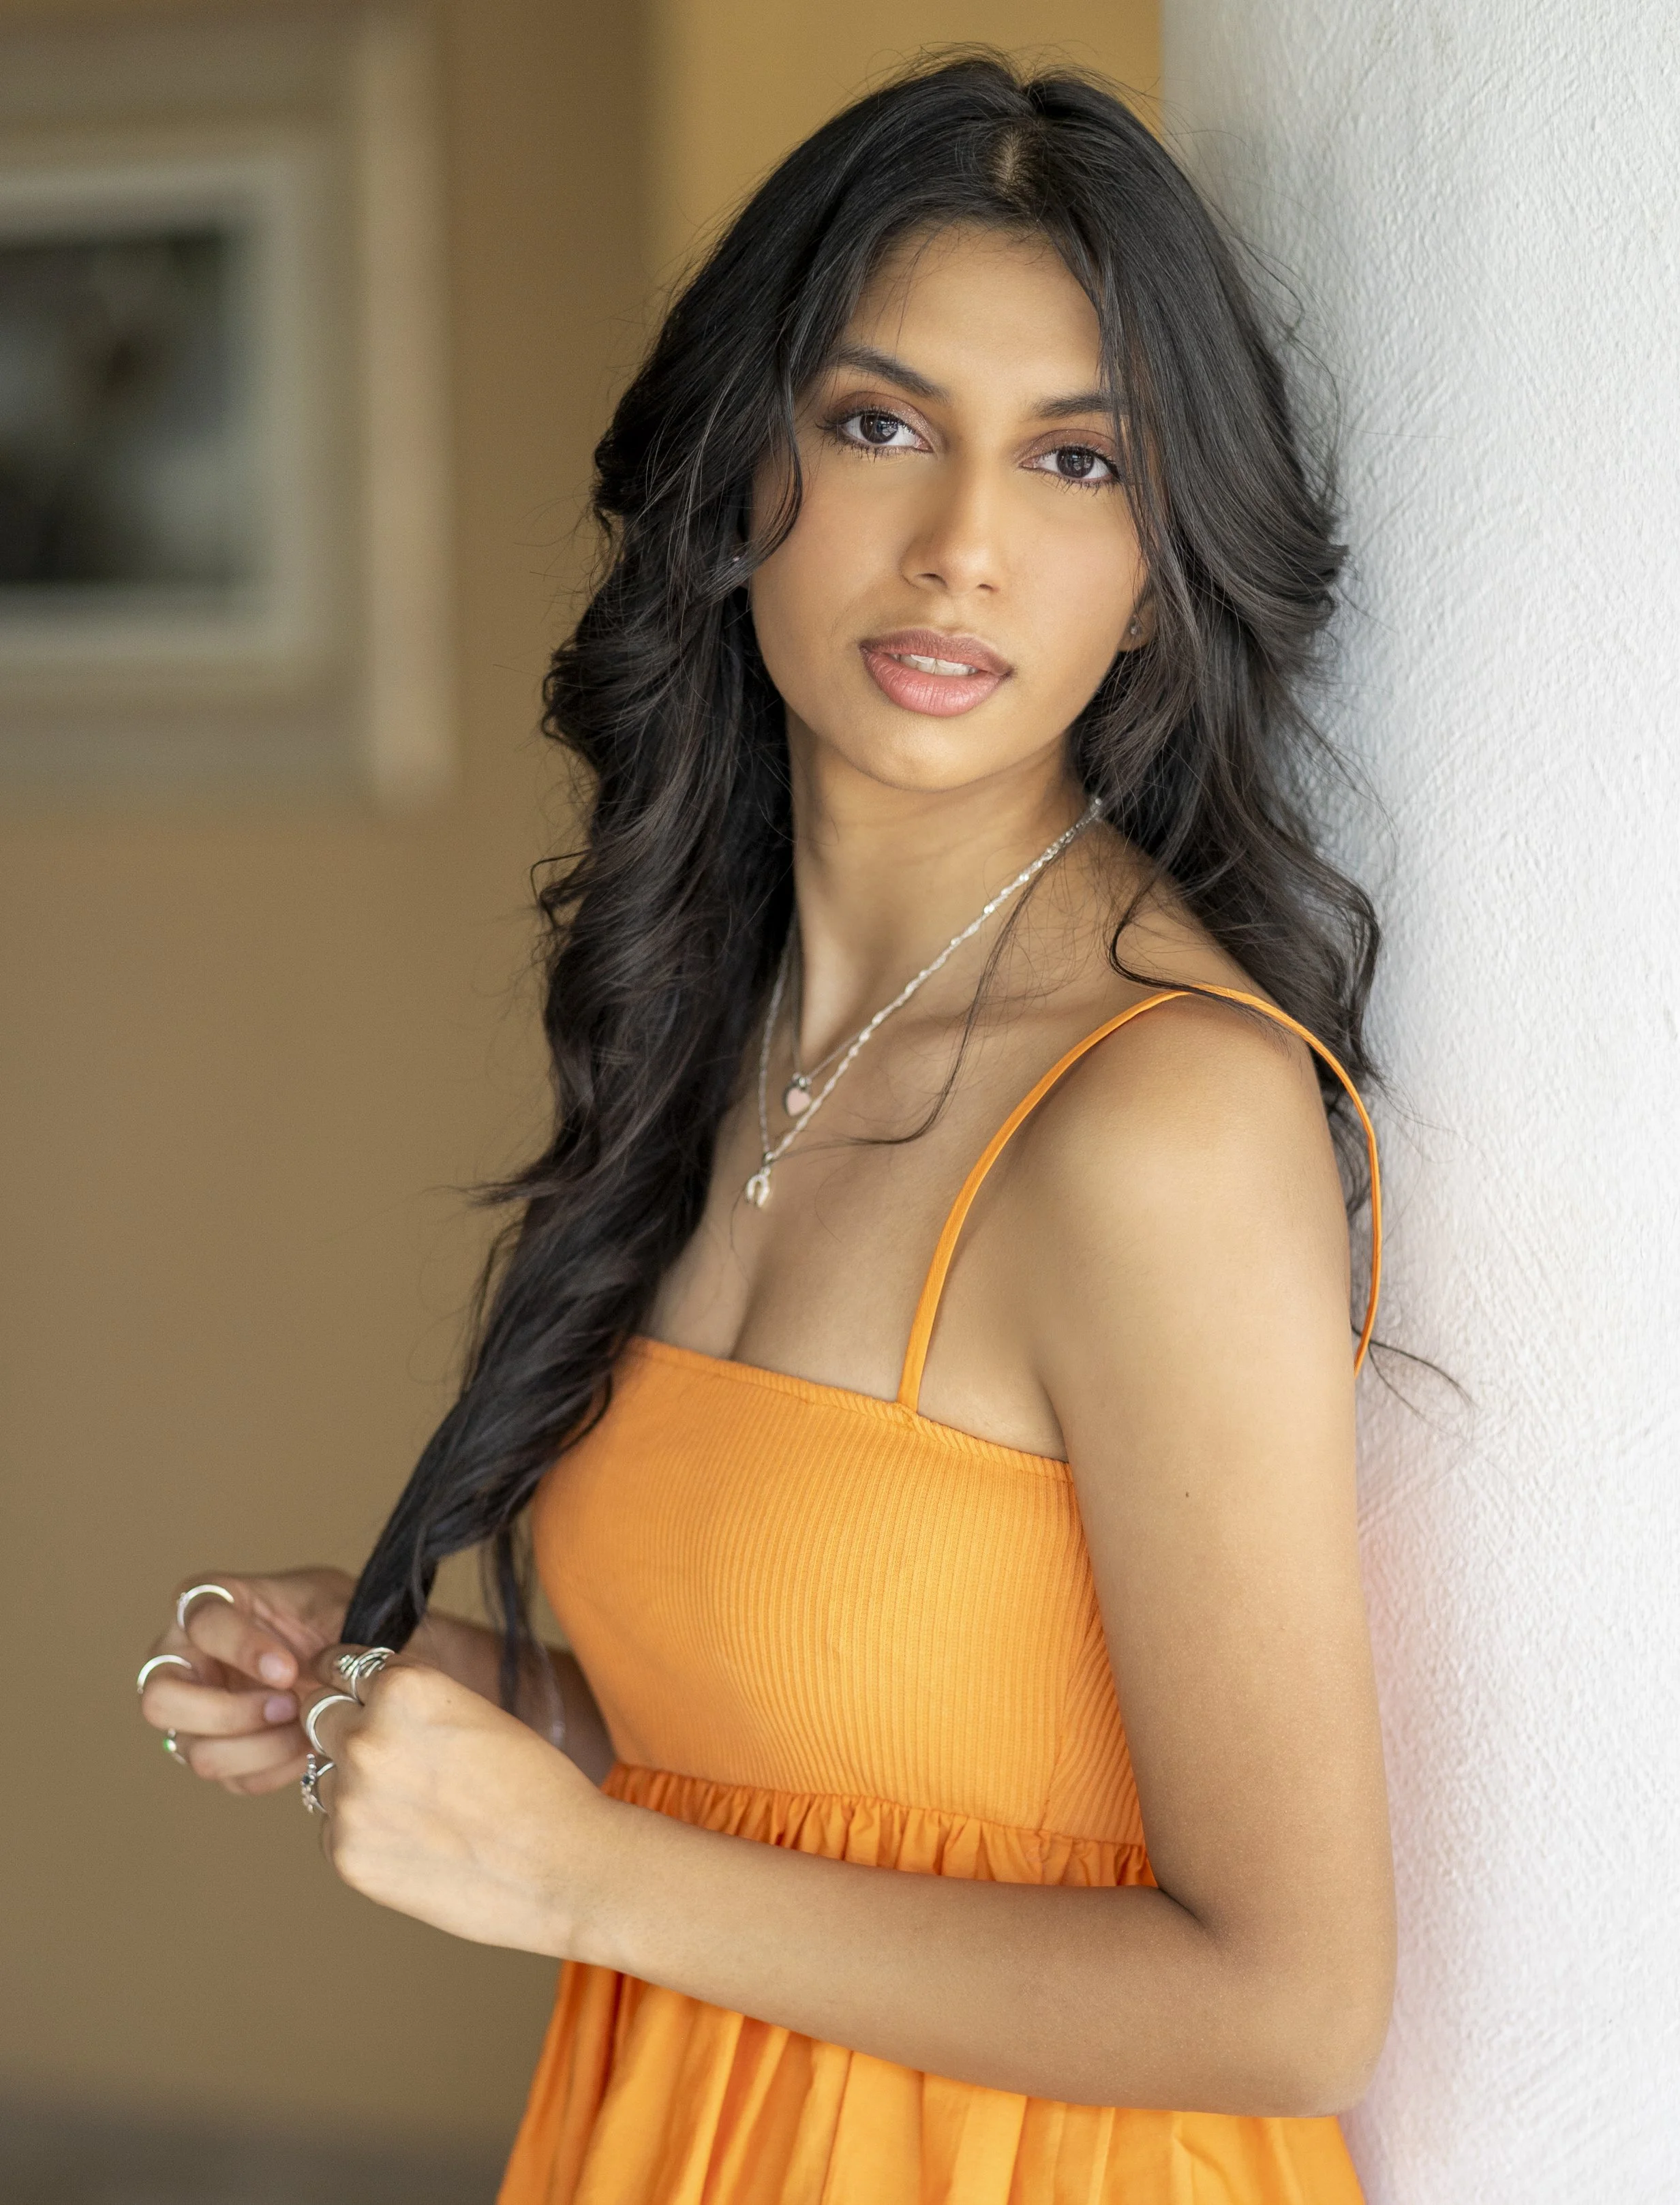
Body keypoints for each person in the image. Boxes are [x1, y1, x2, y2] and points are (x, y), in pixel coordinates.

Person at [135, 55, 1394, 2204]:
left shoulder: (1156, 1115)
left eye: (1076, 460)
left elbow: (1287, 1997)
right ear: (743, 471)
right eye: (880, 423)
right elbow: (860, 1767)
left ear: (1162, 556)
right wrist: (480, 1701)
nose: (963, 549)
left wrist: (591, 1884)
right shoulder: (725, 1034)